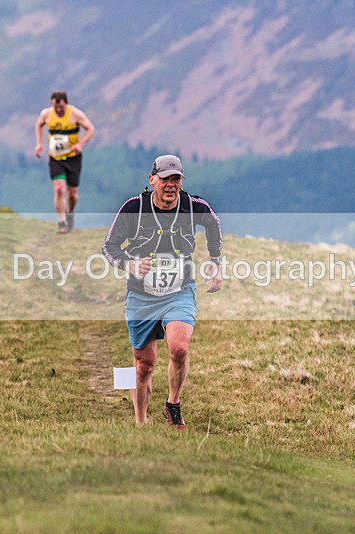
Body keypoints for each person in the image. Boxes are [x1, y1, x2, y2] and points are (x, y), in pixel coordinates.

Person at [102, 155, 223, 430]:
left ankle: (173, 404)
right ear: (152, 179)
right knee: (144, 364)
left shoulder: (193, 206)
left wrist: (215, 263)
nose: (171, 185)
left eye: (176, 179)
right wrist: (129, 264)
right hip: (141, 297)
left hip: (179, 292)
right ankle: (141, 423)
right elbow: (109, 247)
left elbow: (214, 224)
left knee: (179, 348)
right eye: (165, 178)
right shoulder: (135, 208)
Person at [34, 91, 95, 233]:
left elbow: (90, 129)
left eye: (61, 107)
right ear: (52, 104)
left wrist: (81, 144)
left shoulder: (75, 114)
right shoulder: (46, 114)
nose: (59, 110)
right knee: (59, 189)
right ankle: (62, 222)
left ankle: (70, 214)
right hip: (55, 158)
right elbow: (39, 125)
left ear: (66, 103)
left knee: (72, 193)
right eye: (56, 107)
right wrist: (39, 144)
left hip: (73, 157)